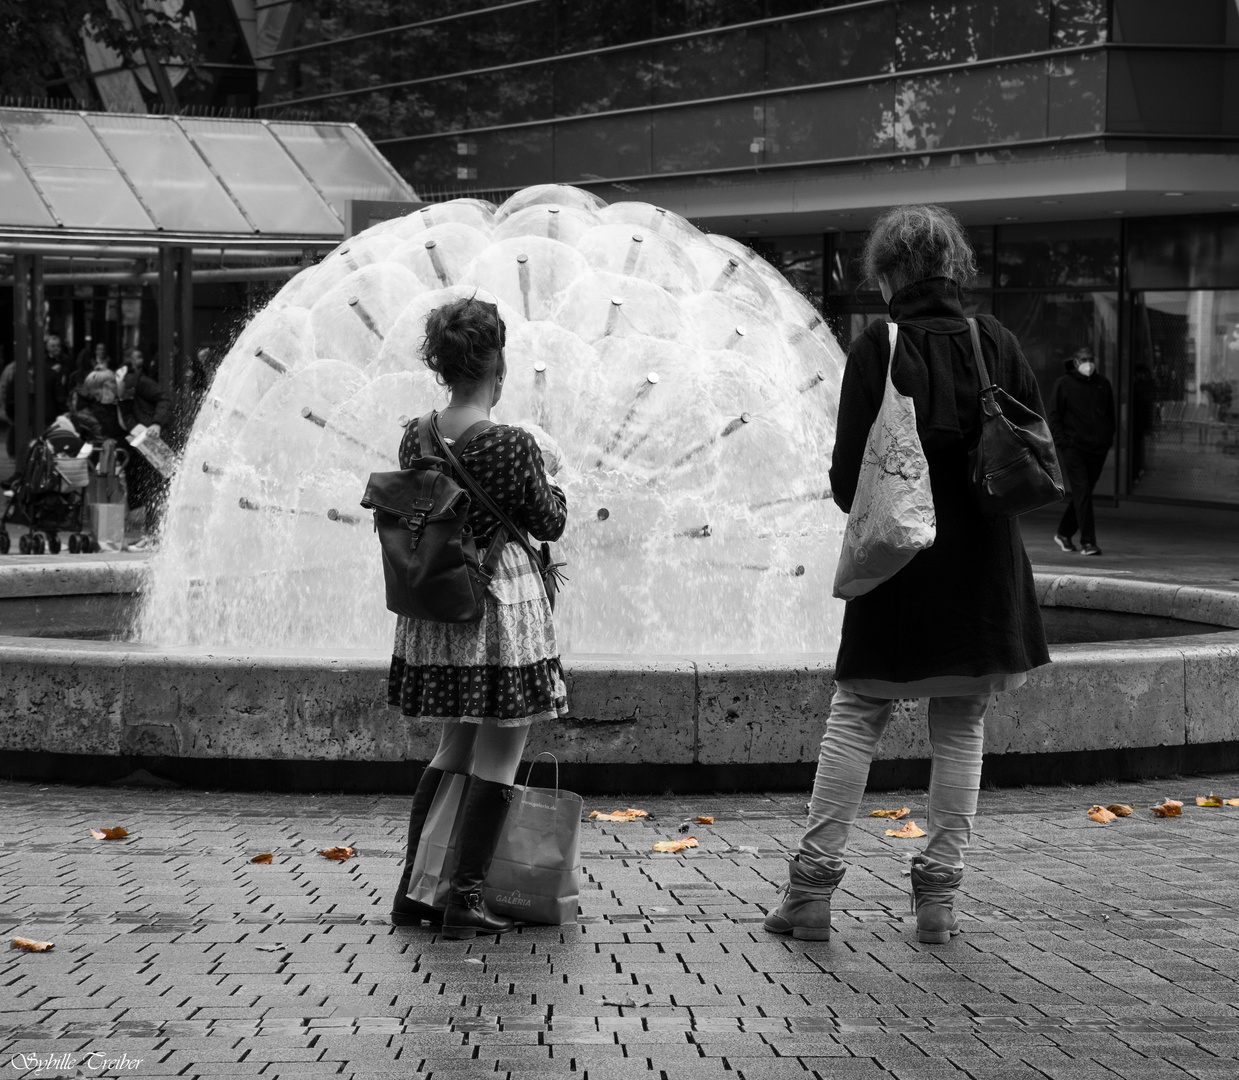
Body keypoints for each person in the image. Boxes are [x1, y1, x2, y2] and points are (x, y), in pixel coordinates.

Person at [764, 205, 1051, 945]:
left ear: (887, 270)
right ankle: (938, 903)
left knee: (857, 712)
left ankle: (810, 894)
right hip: (984, 566)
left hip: (899, 566)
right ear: (954, 266)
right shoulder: (996, 340)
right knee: (961, 725)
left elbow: (845, 476)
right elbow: (1032, 453)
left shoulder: (878, 345)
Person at [387, 296, 568, 940]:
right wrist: (558, 486)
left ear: (443, 365)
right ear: (499, 364)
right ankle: (463, 899)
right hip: (500, 608)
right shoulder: (512, 443)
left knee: (454, 744)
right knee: (501, 747)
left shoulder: (416, 433)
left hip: (439, 609)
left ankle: (416, 890)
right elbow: (548, 522)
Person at [1049, 347, 1115, 556]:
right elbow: (1055, 415)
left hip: (1097, 449)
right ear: (1076, 362)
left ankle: (1063, 533)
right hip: (1074, 448)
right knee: (1083, 491)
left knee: (1082, 493)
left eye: (1091, 359)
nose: (1089, 363)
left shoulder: (1103, 385)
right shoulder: (1064, 384)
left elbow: (1110, 416)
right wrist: (1063, 443)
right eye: (1084, 359)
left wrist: (1106, 440)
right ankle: (1088, 542)